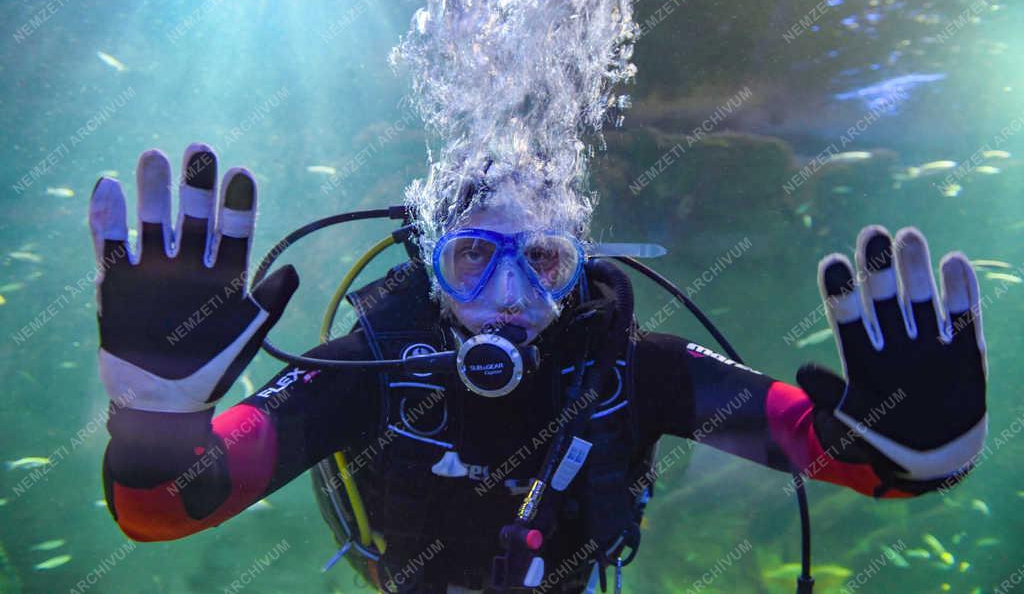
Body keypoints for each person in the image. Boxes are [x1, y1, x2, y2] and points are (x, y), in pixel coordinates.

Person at [90, 142, 988, 593]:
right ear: (431, 265)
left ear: (580, 267)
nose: (511, 295)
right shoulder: (371, 366)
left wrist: (914, 446)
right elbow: (164, 507)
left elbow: (836, 451)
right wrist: (155, 422)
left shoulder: (634, 369)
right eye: (476, 257)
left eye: (545, 261)